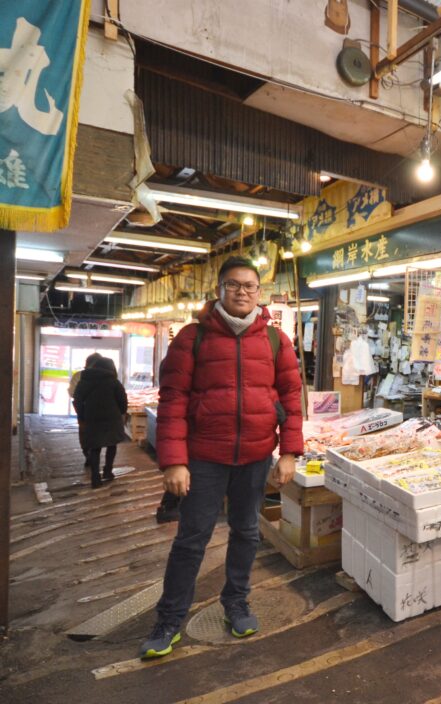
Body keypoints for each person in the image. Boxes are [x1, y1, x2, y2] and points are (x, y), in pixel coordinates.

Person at [140, 257, 303, 659]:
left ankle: (236, 602)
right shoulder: (192, 337)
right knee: (192, 539)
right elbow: (173, 400)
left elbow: (292, 398)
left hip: (255, 455)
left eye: (249, 285)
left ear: (259, 293)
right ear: (219, 290)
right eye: (233, 285)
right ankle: (170, 619)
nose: (242, 291)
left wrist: (290, 452)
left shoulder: (276, 342)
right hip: (204, 459)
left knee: (247, 532)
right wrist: (174, 461)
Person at [72, 356, 128, 489]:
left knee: (95, 448)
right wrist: (120, 412)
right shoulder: (114, 382)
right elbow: (123, 402)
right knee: (111, 445)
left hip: (92, 418)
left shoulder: (84, 380)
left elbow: (77, 399)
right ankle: (108, 471)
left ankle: (95, 477)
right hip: (112, 419)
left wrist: (82, 415)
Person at [70, 352, 105, 469]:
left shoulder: (78, 376)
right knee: (96, 435)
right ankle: (92, 457)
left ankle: (88, 454)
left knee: (84, 433)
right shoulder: (105, 376)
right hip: (99, 410)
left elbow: (72, 393)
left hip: (82, 410)